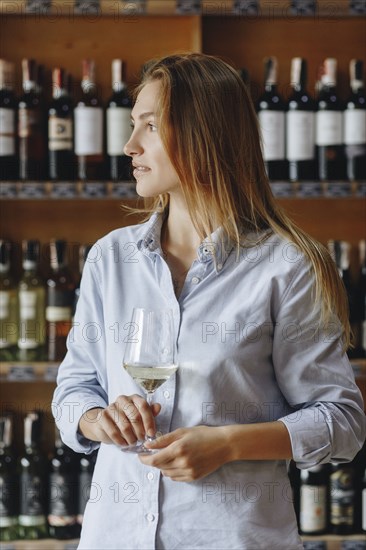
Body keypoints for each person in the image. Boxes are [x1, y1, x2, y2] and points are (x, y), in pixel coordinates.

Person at [53, 53, 365, 550]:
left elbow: (341, 421)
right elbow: (73, 390)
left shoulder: (286, 267)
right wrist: (99, 419)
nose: (129, 145)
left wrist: (228, 444)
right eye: (133, 126)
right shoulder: (110, 258)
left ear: (204, 134)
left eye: (149, 127)